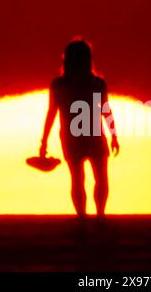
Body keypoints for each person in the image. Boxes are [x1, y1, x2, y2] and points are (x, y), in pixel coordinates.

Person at [39, 39, 120, 219]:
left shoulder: (59, 85)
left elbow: (51, 113)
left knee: (77, 179)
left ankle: (82, 217)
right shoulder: (98, 83)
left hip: (71, 137)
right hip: (94, 135)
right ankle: (99, 215)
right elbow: (106, 111)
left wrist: (44, 142)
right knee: (101, 178)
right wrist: (114, 136)